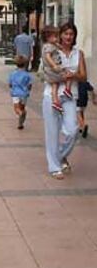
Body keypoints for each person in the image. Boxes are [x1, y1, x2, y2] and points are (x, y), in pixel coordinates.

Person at [42, 22, 86, 180]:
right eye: (66, 34)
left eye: (71, 34)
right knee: (52, 132)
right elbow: (45, 70)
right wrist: (58, 75)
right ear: (60, 35)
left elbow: (83, 76)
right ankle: (54, 166)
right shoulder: (53, 49)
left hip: (70, 95)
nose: (68, 37)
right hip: (51, 94)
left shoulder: (78, 53)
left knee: (72, 130)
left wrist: (72, 76)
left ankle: (59, 156)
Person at [41, 25, 73, 113]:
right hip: (53, 69)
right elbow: (48, 57)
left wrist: (60, 46)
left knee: (55, 84)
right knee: (68, 74)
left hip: (49, 71)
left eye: (57, 36)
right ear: (48, 38)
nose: (57, 38)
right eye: (55, 37)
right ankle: (67, 89)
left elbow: (59, 47)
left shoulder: (52, 44)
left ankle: (55, 101)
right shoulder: (48, 46)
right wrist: (54, 65)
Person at [9, 55, 32, 129]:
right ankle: (20, 123)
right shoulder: (27, 75)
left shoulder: (12, 74)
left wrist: (12, 87)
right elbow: (29, 85)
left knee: (16, 108)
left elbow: (10, 84)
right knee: (22, 107)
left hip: (15, 93)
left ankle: (20, 114)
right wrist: (28, 90)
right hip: (24, 94)